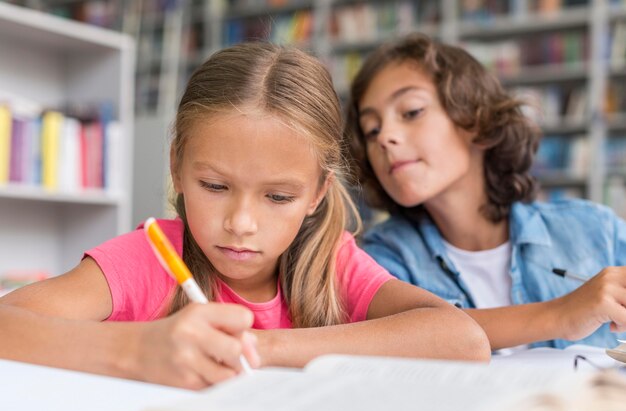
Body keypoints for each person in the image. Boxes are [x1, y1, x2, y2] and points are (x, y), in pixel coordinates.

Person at [0, 42, 489, 389]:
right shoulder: (151, 258)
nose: (241, 223)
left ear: (319, 190)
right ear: (177, 165)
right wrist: (136, 349)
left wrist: (259, 348)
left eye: (278, 197)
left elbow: (463, 340)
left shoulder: (330, 262)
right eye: (214, 186)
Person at [345, 33, 626, 352]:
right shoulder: (379, 257)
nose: (385, 137)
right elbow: (406, 337)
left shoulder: (595, 229)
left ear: (476, 120)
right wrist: (561, 313)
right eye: (372, 130)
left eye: (411, 112)